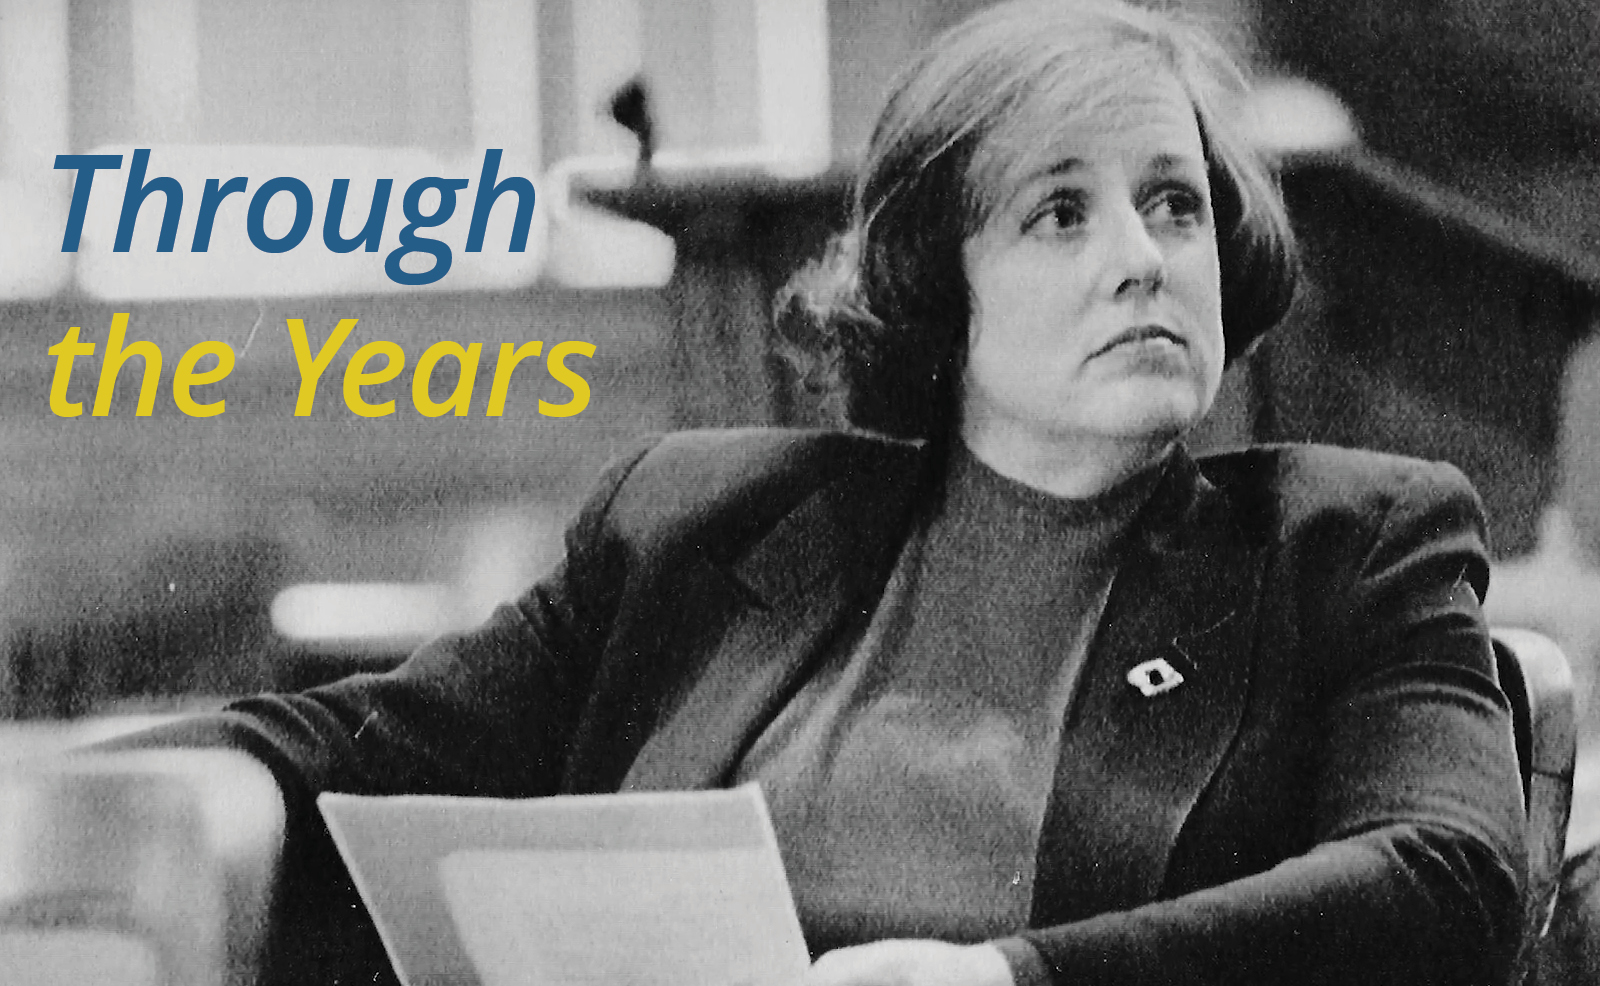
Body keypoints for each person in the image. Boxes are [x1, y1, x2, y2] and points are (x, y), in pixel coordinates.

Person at [117, 1, 1526, 984]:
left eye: (1174, 205)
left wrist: (1010, 977)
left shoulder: (1352, 538)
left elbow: (1447, 875)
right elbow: (346, 745)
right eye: (1060, 212)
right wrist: (84, 797)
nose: (1143, 257)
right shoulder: (697, 522)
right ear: (938, 282)